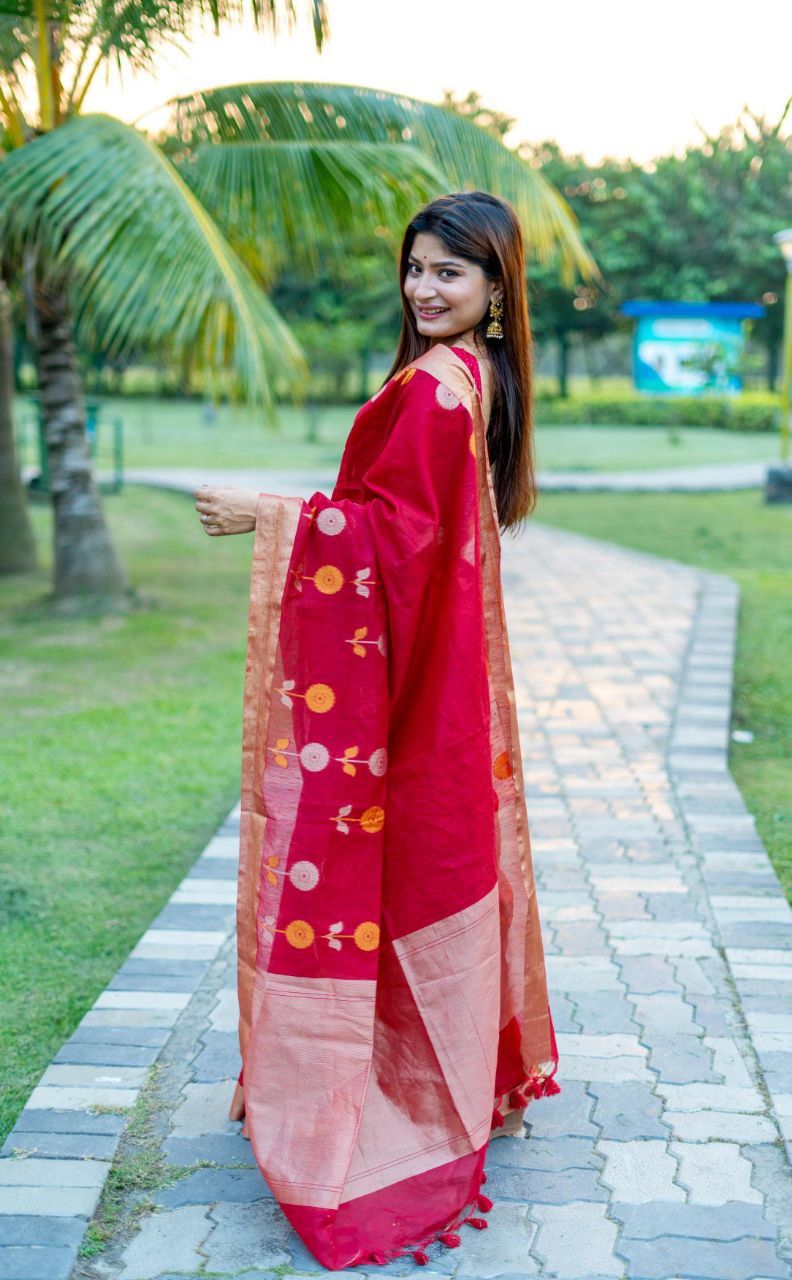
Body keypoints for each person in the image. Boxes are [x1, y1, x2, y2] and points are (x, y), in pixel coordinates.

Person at [193, 191, 559, 1271]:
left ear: (496, 292)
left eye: (451, 272)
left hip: (416, 688)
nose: (424, 287)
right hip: (437, 680)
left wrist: (271, 513)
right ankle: (462, 1073)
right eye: (415, 267)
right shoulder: (468, 378)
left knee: (390, 863)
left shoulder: (444, 389)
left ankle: (395, 1095)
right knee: (436, 855)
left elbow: (395, 538)